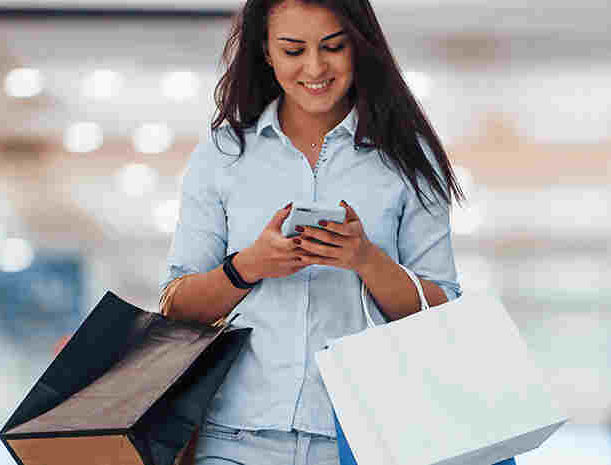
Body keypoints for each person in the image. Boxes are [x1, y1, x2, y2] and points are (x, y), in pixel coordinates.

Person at [158, 0, 466, 462]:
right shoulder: (222, 155)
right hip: (234, 439)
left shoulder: (408, 160)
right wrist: (248, 267)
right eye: (293, 49)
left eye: (333, 47)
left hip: (361, 441)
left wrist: (366, 259)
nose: (315, 67)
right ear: (265, 51)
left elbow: (443, 312)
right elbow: (176, 305)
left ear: (359, 47)